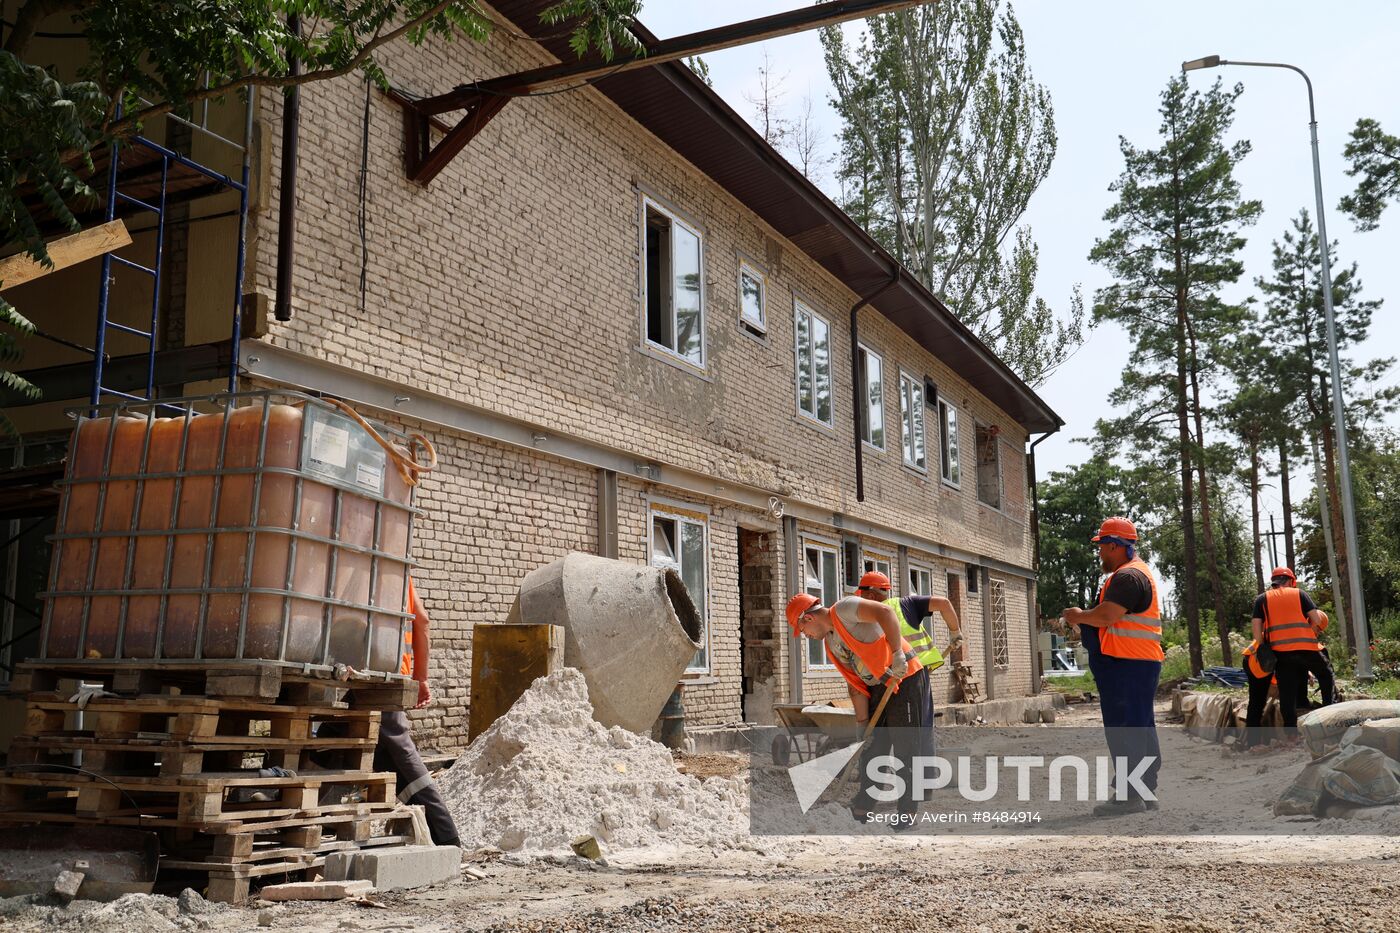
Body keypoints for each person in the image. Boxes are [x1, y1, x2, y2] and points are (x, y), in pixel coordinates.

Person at [786, 591, 931, 825]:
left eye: (802, 631)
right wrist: (862, 727)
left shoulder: (845, 609)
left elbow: (885, 612)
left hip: (906, 676)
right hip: (879, 685)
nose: (806, 636)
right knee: (873, 747)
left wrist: (897, 654)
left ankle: (908, 812)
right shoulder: (831, 645)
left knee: (905, 746)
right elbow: (856, 686)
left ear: (808, 618)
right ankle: (864, 806)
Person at [1062, 517, 1163, 817]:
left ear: (1116, 546)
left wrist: (1079, 616)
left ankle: (1129, 796)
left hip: (1126, 666)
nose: (1100, 554)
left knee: (1124, 730)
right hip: (1135, 664)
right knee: (1140, 727)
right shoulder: (1133, 574)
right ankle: (1145, 791)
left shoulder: (1128, 578)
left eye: (1103, 547)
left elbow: (1107, 616)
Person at [374, 577, 462, 847]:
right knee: (369, 752)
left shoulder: (354, 568)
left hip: (367, 676)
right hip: (389, 675)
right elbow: (422, 620)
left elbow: (420, 619)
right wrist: (420, 677)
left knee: (402, 755)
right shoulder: (395, 572)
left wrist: (420, 679)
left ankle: (446, 837)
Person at [1251, 567, 1334, 729]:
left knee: (1287, 692)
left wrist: (1262, 646)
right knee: (1326, 675)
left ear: (1274, 582)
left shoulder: (1262, 599)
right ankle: (1329, 714)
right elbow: (1316, 619)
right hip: (1306, 648)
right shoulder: (1300, 594)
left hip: (1281, 653)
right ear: (1291, 581)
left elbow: (1256, 628)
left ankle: (1290, 733)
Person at [854, 570, 964, 672]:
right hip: (918, 670)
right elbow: (944, 603)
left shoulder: (864, 616)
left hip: (888, 675)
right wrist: (955, 633)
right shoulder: (906, 604)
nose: (861, 601)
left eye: (862, 597)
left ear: (871, 596)